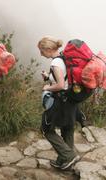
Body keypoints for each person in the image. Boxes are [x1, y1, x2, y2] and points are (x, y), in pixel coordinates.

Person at [38, 36, 80, 170]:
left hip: (61, 101)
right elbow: (64, 78)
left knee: (46, 129)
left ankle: (68, 156)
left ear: (49, 49)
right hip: (71, 100)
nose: (41, 54)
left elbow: (61, 85)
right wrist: (48, 77)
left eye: (42, 51)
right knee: (67, 128)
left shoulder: (55, 63)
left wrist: (47, 87)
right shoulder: (64, 58)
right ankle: (64, 161)